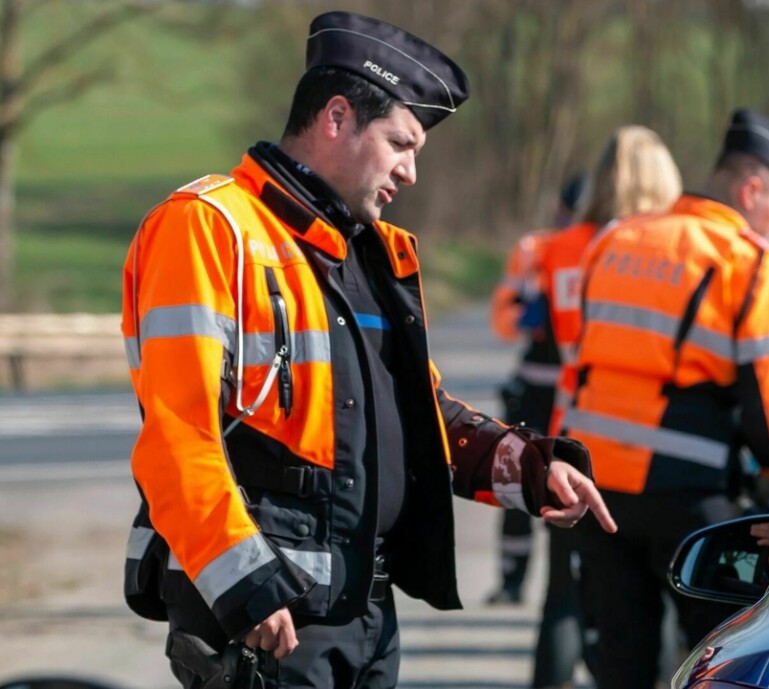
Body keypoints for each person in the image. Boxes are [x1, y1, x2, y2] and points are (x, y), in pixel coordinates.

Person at [118, 12, 616, 688]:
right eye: (400, 144)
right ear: (335, 117)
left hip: (366, 618)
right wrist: (246, 586)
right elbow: (178, 434)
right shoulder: (206, 226)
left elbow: (421, 415)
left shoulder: (374, 254)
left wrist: (525, 467)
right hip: (268, 620)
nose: (410, 172)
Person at [563, 109, 769, 689]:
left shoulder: (616, 237)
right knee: (719, 661)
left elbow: (582, 364)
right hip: (690, 497)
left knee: (619, 663)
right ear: (752, 189)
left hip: (596, 488)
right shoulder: (749, 261)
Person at [533, 125, 683, 689]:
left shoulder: (563, 247)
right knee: (655, 607)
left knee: (563, 598)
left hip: (571, 426)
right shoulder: (662, 251)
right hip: (647, 442)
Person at [485, 174, 586, 607]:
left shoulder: (613, 251)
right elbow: (502, 320)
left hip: (581, 394)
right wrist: (529, 313)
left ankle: (573, 585)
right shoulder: (534, 252)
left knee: (575, 486)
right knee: (515, 481)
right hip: (533, 387)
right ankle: (511, 580)